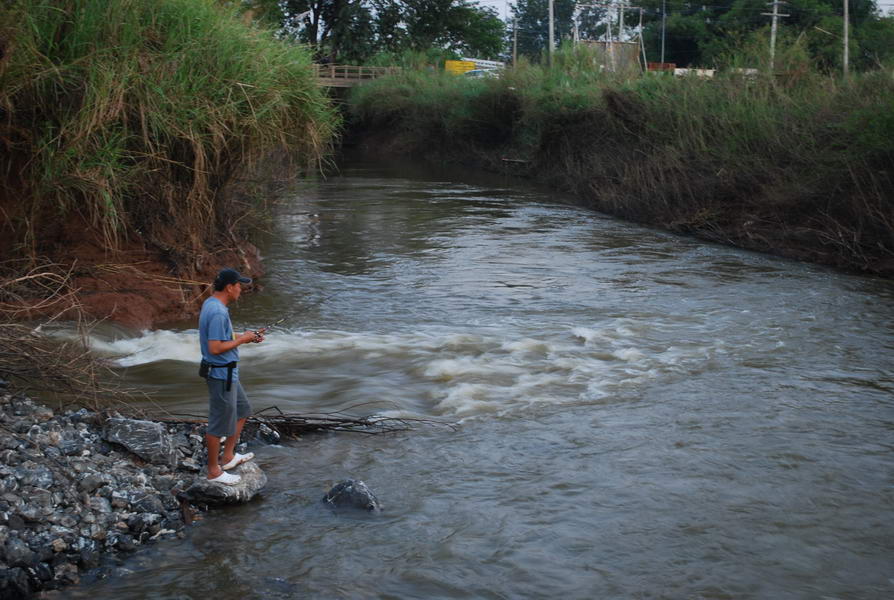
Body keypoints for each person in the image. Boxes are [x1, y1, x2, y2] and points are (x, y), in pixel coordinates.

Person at [198, 268, 265, 485]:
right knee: (218, 425)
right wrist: (242, 340)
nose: (240, 289)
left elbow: (221, 337)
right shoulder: (218, 312)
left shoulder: (212, 303)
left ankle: (228, 457)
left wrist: (247, 336)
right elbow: (216, 347)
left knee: (243, 409)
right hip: (220, 374)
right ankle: (213, 472)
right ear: (229, 287)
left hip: (228, 372)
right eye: (238, 285)